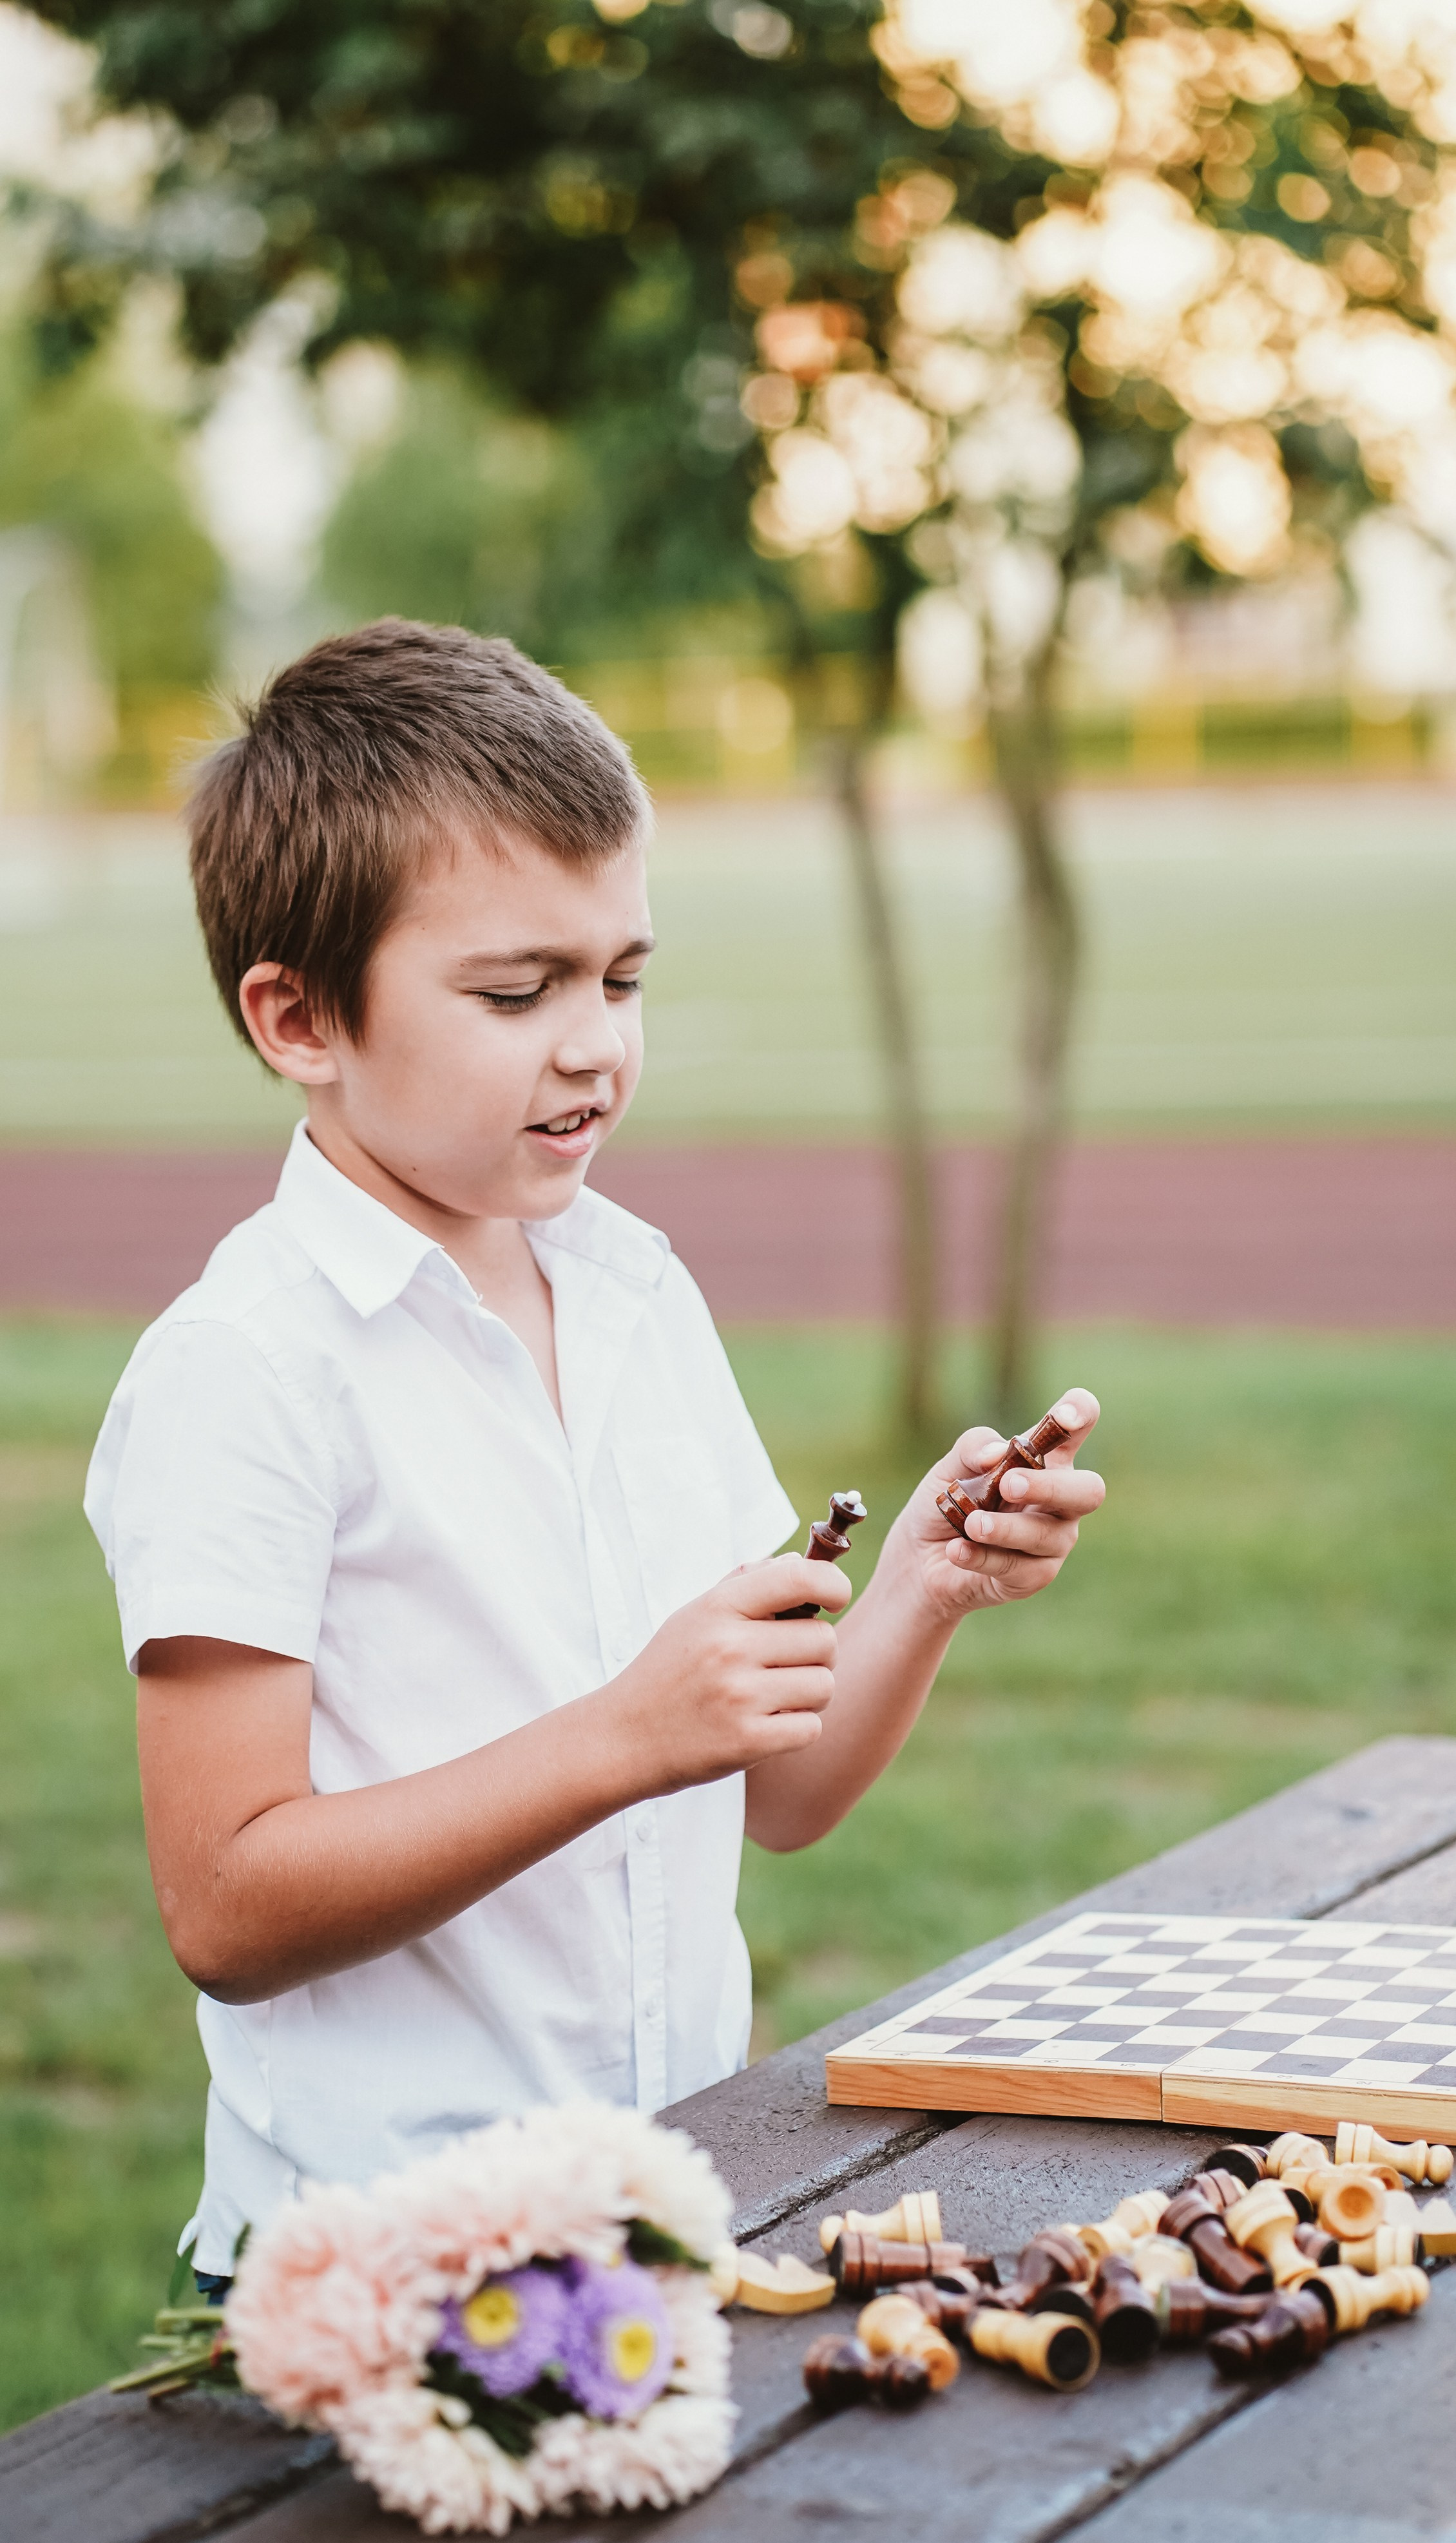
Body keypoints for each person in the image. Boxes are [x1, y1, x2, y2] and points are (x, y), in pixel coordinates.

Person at [86, 620, 1104, 2286]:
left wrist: (917, 1583)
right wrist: (620, 1736)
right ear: (297, 1019)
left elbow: (776, 1790)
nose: (593, 1044)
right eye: (515, 991)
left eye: (620, 977)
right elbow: (227, 1908)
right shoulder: (243, 1371)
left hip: (672, 2202)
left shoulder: (629, 1287)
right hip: (382, 2263)